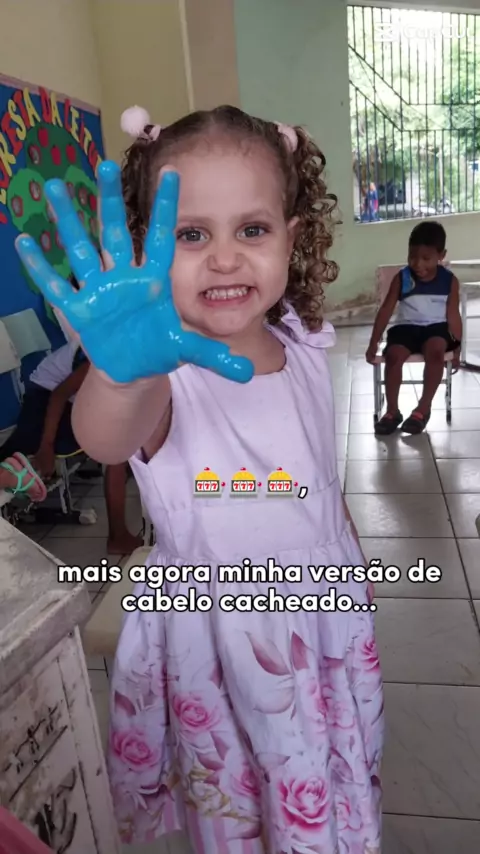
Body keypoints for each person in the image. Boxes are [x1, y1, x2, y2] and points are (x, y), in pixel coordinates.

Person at [16, 104, 384, 854]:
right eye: (190, 235)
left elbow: (319, 478)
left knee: (331, 774)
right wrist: (120, 375)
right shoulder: (163, 373)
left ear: (293, 237)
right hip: (223, 627)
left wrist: (352, 565)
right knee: (242, 810)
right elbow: (106, 435)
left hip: (324, 611)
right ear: (147, 249)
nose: (224, 258)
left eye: (252, 229)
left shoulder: (304, 343)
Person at [0, 339, 142, 554]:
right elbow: (59, 395)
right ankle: (117, 537)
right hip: (45, 398)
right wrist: (46, 446)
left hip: (75, 400)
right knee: (118, 446)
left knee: (121, 443)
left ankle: (118, 536)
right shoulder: (113, 353)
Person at [366, 221, 462, 435]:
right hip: (406, 328)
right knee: (393, 356)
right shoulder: (402, 278)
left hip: (436, 328)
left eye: (426, 258)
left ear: (441, 255)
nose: (418, 264)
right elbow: (386, 310)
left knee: (436, 352)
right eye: (412, 256)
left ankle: (422, 408)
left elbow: (453, 315)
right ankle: (392, 411)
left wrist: (457, 346)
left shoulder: (449, 281)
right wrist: (373, 341)